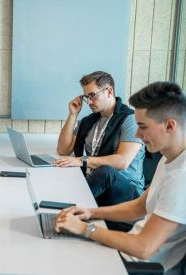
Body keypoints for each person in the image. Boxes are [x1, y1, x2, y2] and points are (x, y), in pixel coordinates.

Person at [55, 81, 186, 274]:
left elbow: (144, 247)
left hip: (134, 266)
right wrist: (90, 213)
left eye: (142, 126)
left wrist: (85, 230)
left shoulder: (181, 176)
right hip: (125, 252)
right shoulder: (169, 159)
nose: (136, 134)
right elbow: (138, 206)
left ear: (169, 126)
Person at [55, 71, 145, 207]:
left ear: (109, 91)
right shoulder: (88, 121)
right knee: (64, 171)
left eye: (92, 96)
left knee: (106, 171)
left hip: (128, 191)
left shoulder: (130, 120)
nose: (89, 102)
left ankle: (67, 208)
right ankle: (64, 205)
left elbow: (123, 161)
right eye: (86, 97)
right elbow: (63, 149)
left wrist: (81, 160)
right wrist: (73, 115)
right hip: (96, 183)